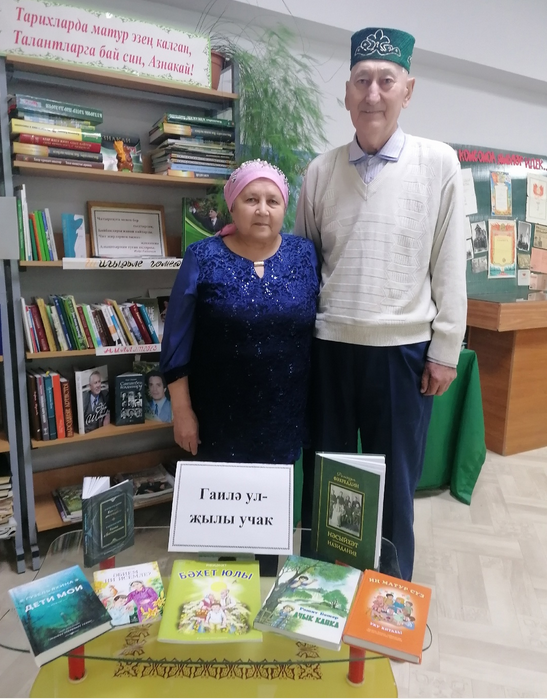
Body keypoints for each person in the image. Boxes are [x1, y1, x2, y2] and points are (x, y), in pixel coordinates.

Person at [295, 27, 467, 581]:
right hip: (330, 347)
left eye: (386, 81)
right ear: (346, 94)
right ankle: (321, 591)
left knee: (394, 488)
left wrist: (446, 349)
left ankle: (388, 600)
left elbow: (449, 261)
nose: (373, 93)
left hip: (403, 352)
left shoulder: (439, 163)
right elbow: (303, 265)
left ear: (407, 91)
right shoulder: (319, 171)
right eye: (361, 81)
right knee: (328, 481)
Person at [160, 159, 319, 465]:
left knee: (275, 495)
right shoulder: (202, 256)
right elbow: (176, 342)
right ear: (232, 206)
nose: (262, 210)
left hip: (285, 417)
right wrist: (181, 411)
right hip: (217, 420)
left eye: (272, 201)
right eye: (251, 200)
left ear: (284, 208)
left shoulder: (304, 254)